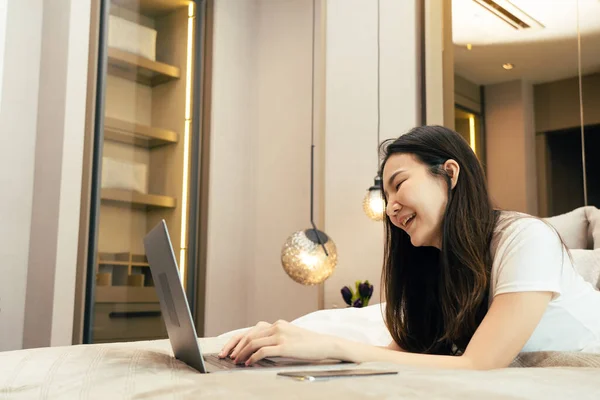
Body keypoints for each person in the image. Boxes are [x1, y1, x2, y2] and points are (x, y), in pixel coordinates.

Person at [218, 125, 600, 370]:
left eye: (399, 184)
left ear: (450, 173)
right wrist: (307, 352)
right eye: (386, 196)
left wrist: (328, 344)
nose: (391, 206)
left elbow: (478, 365)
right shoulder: (435, 264)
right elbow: (403, 353)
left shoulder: (525, 238)